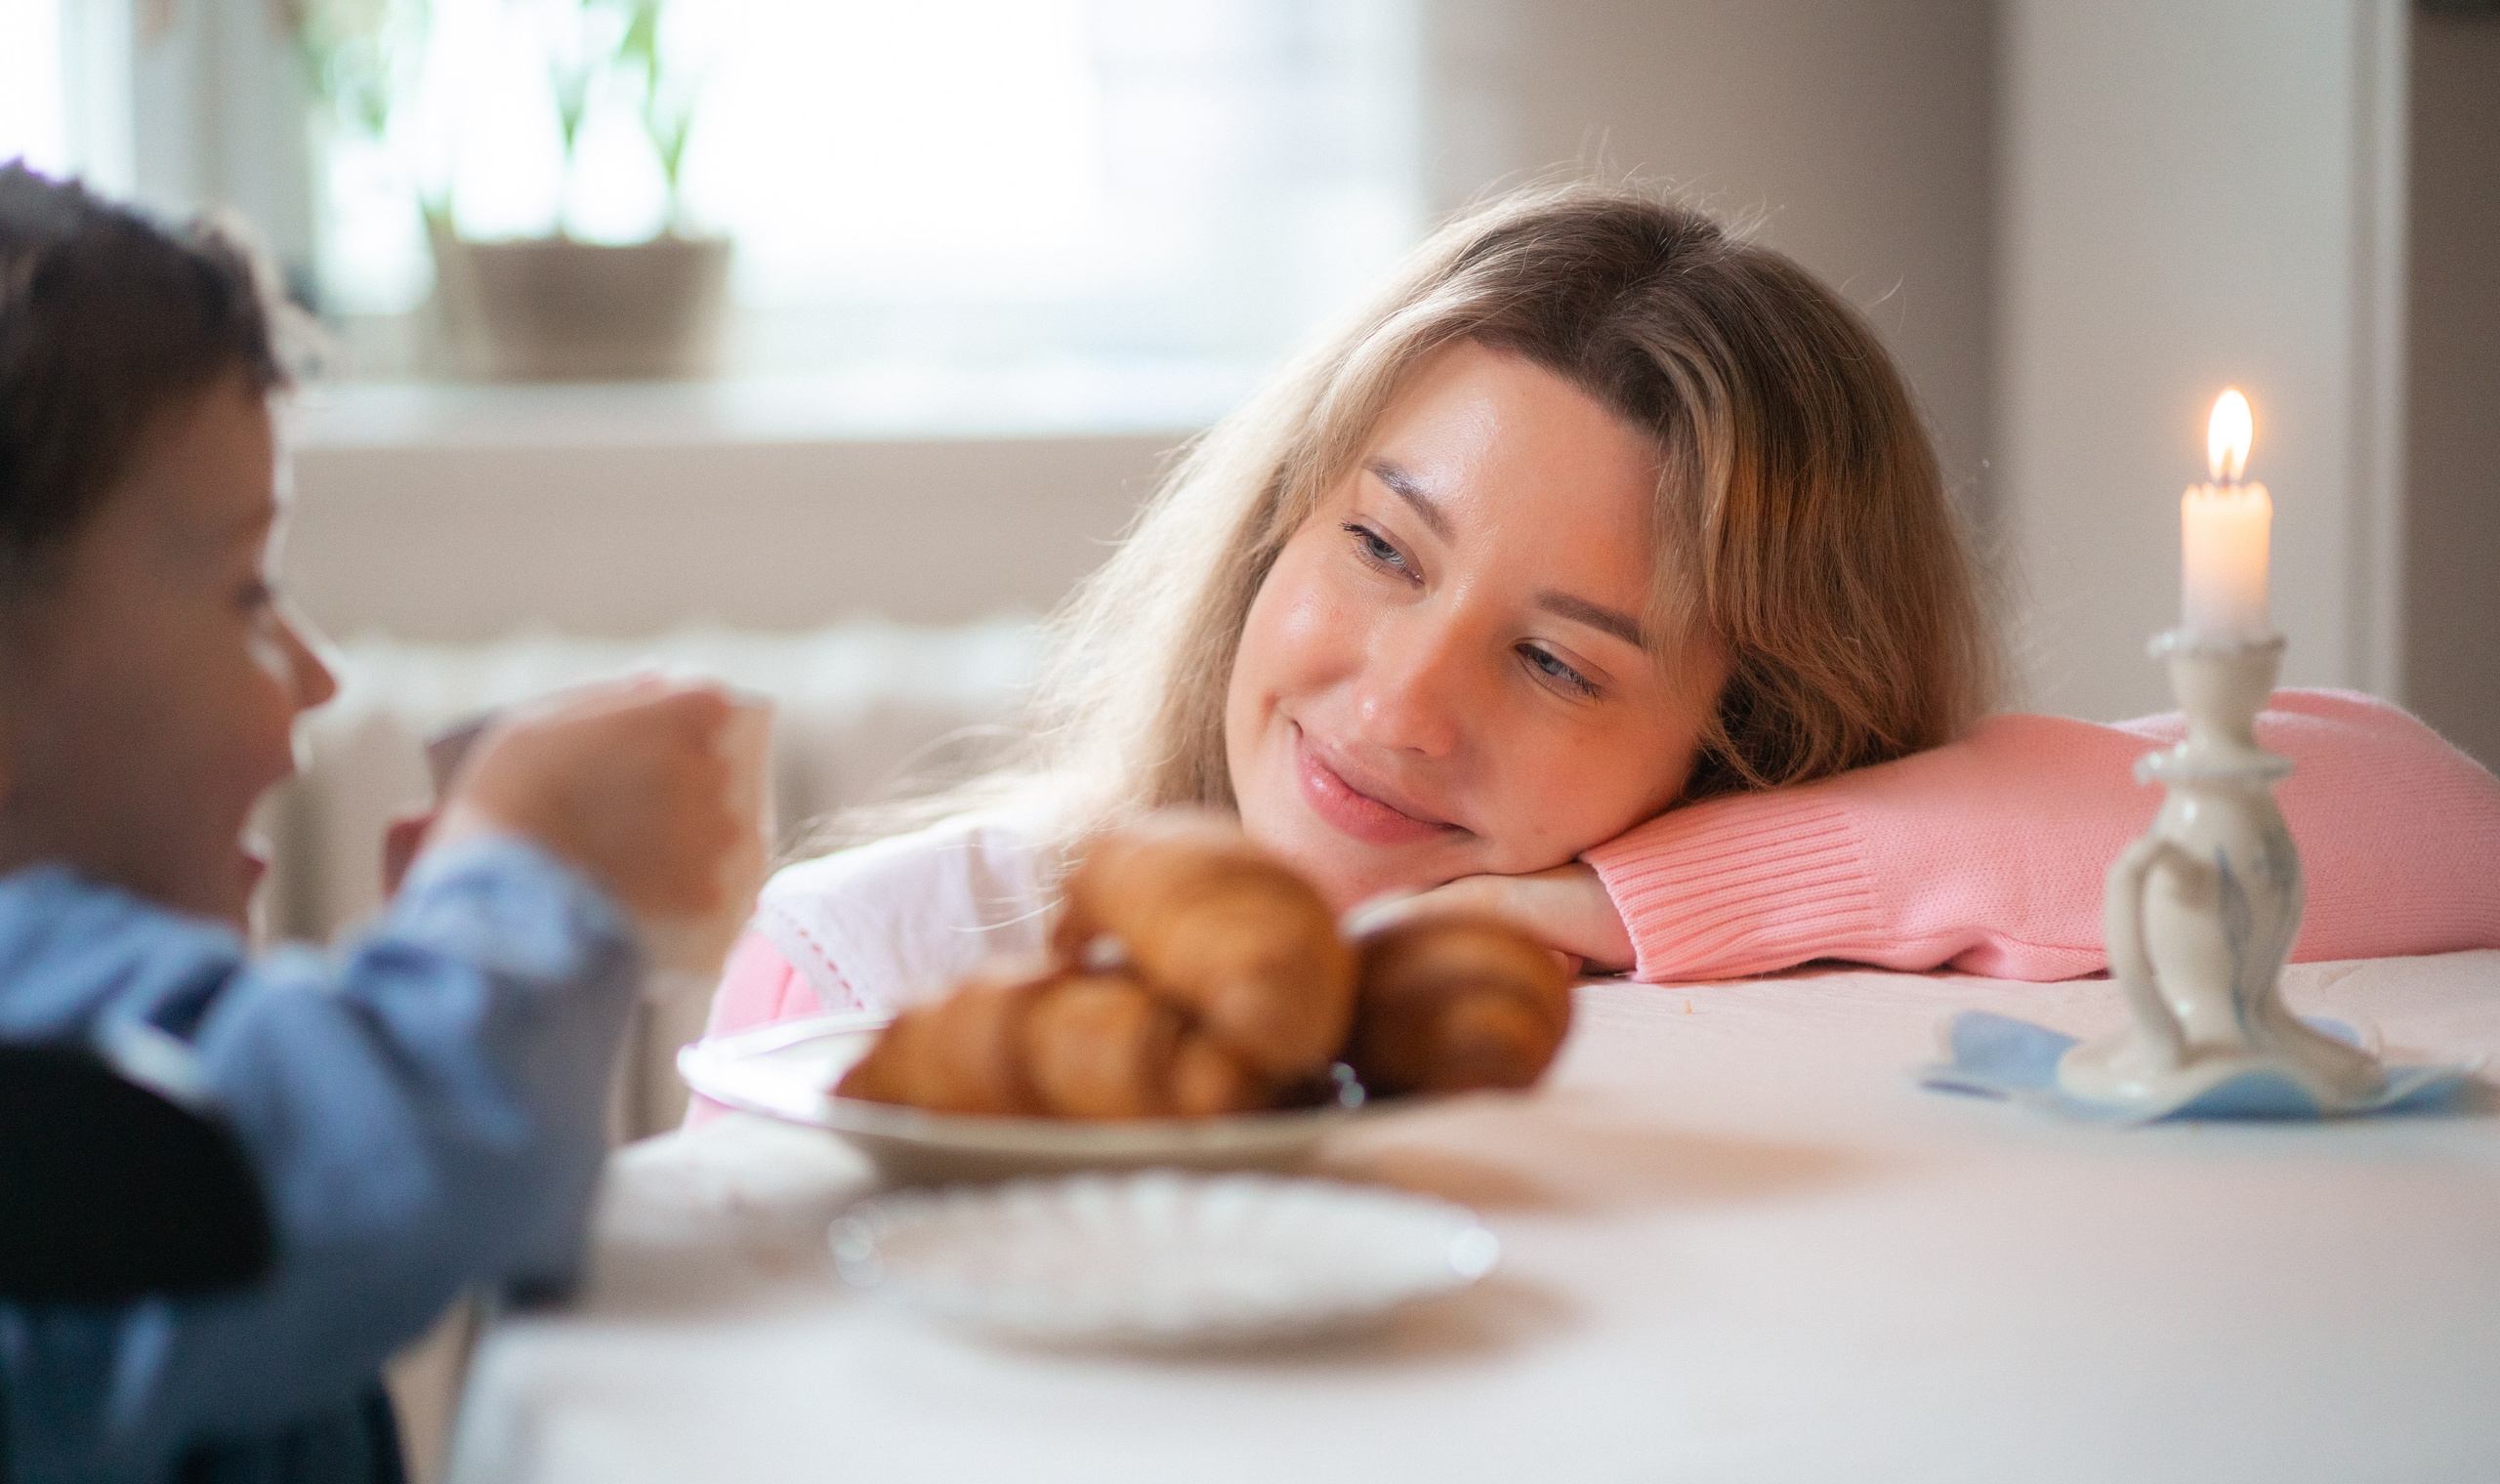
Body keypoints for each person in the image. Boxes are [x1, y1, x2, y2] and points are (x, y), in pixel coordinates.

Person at [690, 180, 2500, 1080]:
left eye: (1558, 660)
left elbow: (2440, 825)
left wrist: (1648, 903)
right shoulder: (871, 975)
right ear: (1275, 527)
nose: (1397, 705)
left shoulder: (1734, 990)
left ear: (1746, 744)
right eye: (1387, 551)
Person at [0, 162, 741, 1484]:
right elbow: (435, 1137)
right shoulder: (41, 1090)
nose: (316, 679)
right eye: (247, 593)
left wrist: (438, 962)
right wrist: (525, 854)